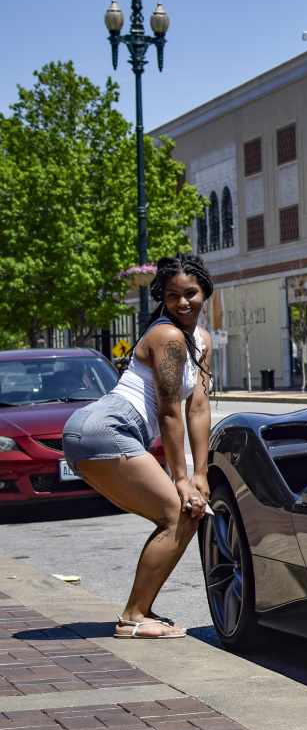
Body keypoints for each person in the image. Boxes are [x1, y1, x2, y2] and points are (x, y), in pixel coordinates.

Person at [62, 255, 214, 638]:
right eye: (172, 295)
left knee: (182, 516)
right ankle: (134, 615)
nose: (183, 303)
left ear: (205, 292)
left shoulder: (201, 340)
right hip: (106, 427)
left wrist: (201, 472)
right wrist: (182, 480)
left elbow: (197, 406)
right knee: (179, 513)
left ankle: (137, 613)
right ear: (162, 299)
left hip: (108, 431)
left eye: (190, 294)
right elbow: (168, 411)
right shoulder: (169, 336)